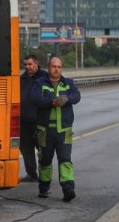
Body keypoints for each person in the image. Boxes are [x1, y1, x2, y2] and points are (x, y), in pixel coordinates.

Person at [31, 56, 81, 202]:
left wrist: (66, 99)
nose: (56, 69)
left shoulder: (68, 83)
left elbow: (77, 96)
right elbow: (35, 99)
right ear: (48, 67)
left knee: (65, 159)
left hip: (64, 130)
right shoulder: (40, 83)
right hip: (45, 131)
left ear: (61, 68)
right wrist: (52, 102)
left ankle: (68, 189)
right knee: (45, 160)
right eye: (53, 66)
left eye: (59, 67)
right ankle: (44, 188)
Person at [20, 54, 48, 182]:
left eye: (30, 64)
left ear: (36, 64)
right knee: (26, 149)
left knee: (42, 149)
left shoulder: (44, 77)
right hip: (24, 122)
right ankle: (31, 174)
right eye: (25, 64)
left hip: (39, 121)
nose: (27, 67)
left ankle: (44, 174)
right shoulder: (22, 78)